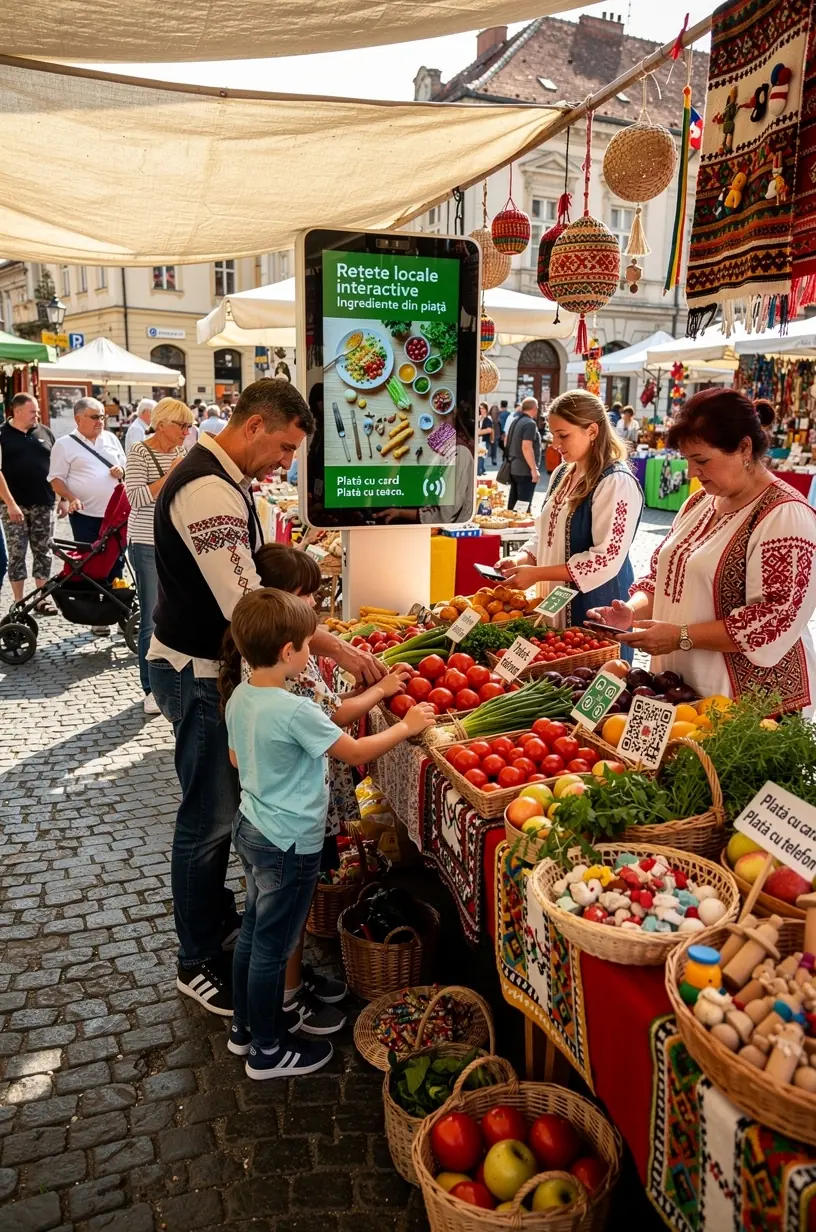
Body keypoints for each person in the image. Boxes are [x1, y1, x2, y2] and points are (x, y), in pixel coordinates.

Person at [148, 378, 387, 1015]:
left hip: (210, 671)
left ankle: (225, 936)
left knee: (222, 817)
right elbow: (251, 604)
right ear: (253, 424)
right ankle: (196, 959)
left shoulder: (222, 479)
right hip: (197, 673)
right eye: (283, 447)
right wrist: (332, 650)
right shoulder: (206, 489)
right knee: (208, 824)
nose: (285, 462)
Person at [222, 587, 433, 1078]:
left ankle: (244, 1029)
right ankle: (269, 1052)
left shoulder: (241, 694)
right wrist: (408, 726)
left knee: (254, 934)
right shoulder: (294, 710)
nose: (310, 653)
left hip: (253, 828)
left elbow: (237, 757)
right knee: (274, 947)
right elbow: (355, 754)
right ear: (287, 653)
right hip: (289, 841)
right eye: (306, 646)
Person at [588, 388, 816, 711]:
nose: (693, 473)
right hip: (683, 687)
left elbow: (771, 620)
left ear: (744, 449)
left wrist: (681, 635)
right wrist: (632, 611)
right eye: (689, 461)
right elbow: (662, 578)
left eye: (702, 460)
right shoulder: (699, 503)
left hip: (749, 704)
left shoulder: (784, 515)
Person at [500, 390, 643, 658]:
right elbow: (545, 532)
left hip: (596, 607)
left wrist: (538, 574)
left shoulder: (615, 482)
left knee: (589, 679)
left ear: (591, 431)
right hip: (555, 602)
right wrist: (523, 558)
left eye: (563, 435)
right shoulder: (563, 473)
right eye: (552, 434)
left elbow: (605, 559)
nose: (555, 443)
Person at [124, 398, 194, 716]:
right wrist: (172, 474)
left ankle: (173, 679)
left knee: (173, 614)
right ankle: (150, 689)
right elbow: (136, 497)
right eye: (183, 425)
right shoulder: (140, 451)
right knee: (151, 620)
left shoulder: (179, 452)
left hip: (173, 541)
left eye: (189, 426)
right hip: (145, 543)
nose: (186, 432)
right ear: (162, 423)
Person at [0, 393, 58, 613]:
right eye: (33, 411)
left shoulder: (45, 432)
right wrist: (10, 504)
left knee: (44, 551)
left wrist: (60, 499)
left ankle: (42, 598)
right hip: (13, 506)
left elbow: (55, 467)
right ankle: (18, 600)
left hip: (44, 502)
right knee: (17, 553)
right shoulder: (2, 434)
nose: (37, 415)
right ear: (17, 411)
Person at [48, 396, 126, 548]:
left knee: (116, 561)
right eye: (95, 417)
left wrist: (122, 470)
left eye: (102, 416)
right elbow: (56, 479)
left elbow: (125, 465)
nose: (100, 421)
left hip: (116, 514)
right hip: (85, 515)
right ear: (78, 419)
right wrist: (71, 498)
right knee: (88, 561)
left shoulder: (111, 438)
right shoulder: (64, 444)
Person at [503, 396, 542, 510]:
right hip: (525, 470)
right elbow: (526, 447)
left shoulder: (515, 421)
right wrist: (534, 470)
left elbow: (506, 441)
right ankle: (520, 527)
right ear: (534, 408)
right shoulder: (530, 423)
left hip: (514, 468)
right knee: (523, 507)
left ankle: (512, 524)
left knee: (513, 505)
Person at [477, 402, 492, 476]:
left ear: (486, 409)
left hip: (484, 441)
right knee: (479, 455)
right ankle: (481, 469)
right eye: (480, 408)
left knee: (481, 456)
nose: (481, 410)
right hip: (478, 441)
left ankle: (480, 471)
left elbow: (489, 430)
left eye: (482, 408)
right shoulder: (478, 418)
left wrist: (479, 432)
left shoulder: (488, 419)